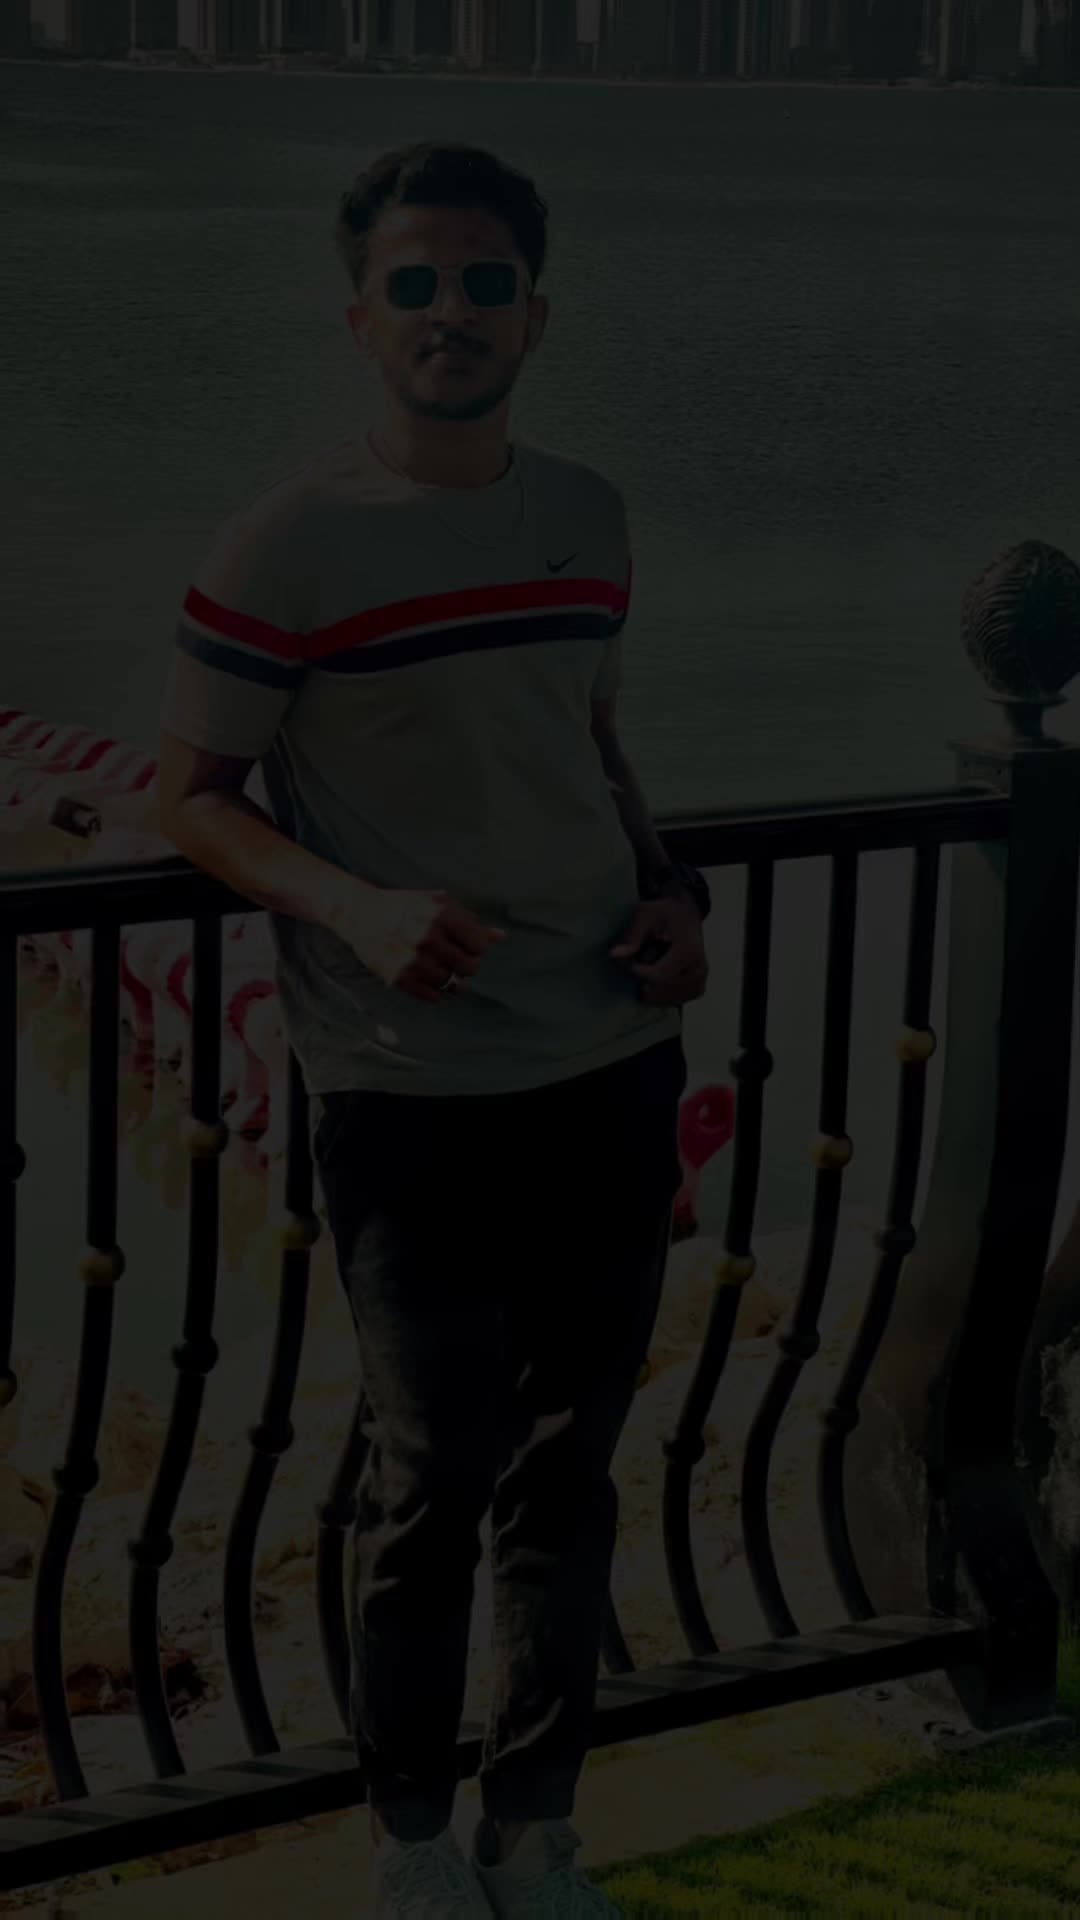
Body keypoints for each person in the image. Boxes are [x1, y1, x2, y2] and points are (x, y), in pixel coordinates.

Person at [156, 142, 711, 1920]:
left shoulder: (591, 515)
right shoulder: (284, 546)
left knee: (569, 1474)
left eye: (484, 283)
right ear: (361, 321)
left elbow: (592, 743)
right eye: (415, 284)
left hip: (608, 1058)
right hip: (405, 1087)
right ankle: (407, 1845)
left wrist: (673, 893)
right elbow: (193, 799)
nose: (450, 313)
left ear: (535, 315)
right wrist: (358, 908)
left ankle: (534, 1840)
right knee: (429, 1475)